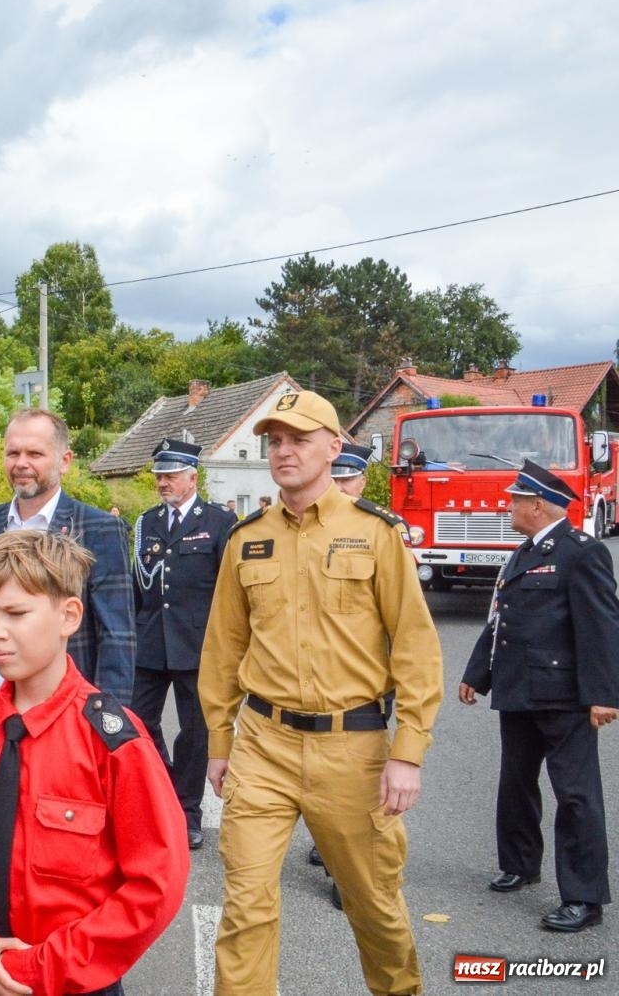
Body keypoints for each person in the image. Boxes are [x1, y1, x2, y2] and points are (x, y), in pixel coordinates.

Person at [199, 389, 442, 996]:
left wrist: (408, 752)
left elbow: (415, 647)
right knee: (246, 906)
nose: (283, 451)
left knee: (373, 905)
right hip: (263, 746)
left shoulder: (377, 534)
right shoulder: (246, 538)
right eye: (275, 441)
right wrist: (219, 741)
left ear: (334, 447)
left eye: (298, 440)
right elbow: (223, 648)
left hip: (353, 750)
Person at [0, 529, 188, 995]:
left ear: (68, 616)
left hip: (72, 981)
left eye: (16, 614)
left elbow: (155, 882)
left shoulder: (111, 741)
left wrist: (39, 967)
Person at [0, 408, 137, 772]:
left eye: (35, 453)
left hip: (58, 715)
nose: (21, 463)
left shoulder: (99, 529)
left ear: (64, 461)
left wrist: (105, 730)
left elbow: (117, 638)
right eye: (13, 453)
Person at [460, 460, 619, 933]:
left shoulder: (581, 553)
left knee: (575, 795)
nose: (507, 507)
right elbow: (501, 619)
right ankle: (520, 864)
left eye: (514, 500)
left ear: (537, 505)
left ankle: (584, 898)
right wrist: (477, 673)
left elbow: (601, 626)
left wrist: (604, 695)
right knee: (516, 783)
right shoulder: (522, 553)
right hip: (518, 689)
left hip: (564, 695)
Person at [130, 439, 235, 851]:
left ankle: (188, 810)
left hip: (197, 643)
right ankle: (166, 786)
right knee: (136, 721)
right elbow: (137, 587)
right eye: (159, 475)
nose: (162, 482)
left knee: (195, 732)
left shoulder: (219, 522)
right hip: (151, 641)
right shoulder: (146, 522)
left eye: (170, 475)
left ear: (193, 477)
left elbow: (228, 591)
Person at [308, 438, 379, 886]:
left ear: (362, 482)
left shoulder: (379, 530)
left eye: (347, 480)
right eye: (334, 479)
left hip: (360, 680)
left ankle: (346, 872)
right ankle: (325, 841)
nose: (340, 487)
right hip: (310, 671)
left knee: (354, 783)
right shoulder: (305, 528)